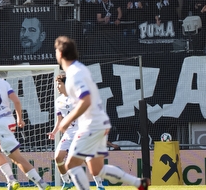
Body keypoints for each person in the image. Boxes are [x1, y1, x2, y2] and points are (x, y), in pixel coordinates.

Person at [49, 37, 148, 190]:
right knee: (96, 169)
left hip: (91, 125)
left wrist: (68, 120)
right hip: (97, 123)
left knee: (72, 165)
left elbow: (86, 100)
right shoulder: (76, 71)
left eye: (56, 51)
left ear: (60, 53)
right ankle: (139, 183)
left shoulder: (75, 73)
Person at [0, 54, 50, 190]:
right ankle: (11, 180)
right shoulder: (3, 82)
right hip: (9, 120)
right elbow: (17, 101)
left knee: (16, 157)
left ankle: (41, 183)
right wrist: (19, 118)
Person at [52, 72, 79, 190]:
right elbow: (59, 120)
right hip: (68, 134)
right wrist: (54, 132)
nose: (57, 86)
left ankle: (100, 185)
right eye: (57, 84)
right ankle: (67, 182)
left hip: (80, 132)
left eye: (59, 83)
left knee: (86, 160)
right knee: (58, 158)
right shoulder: (58, 101)